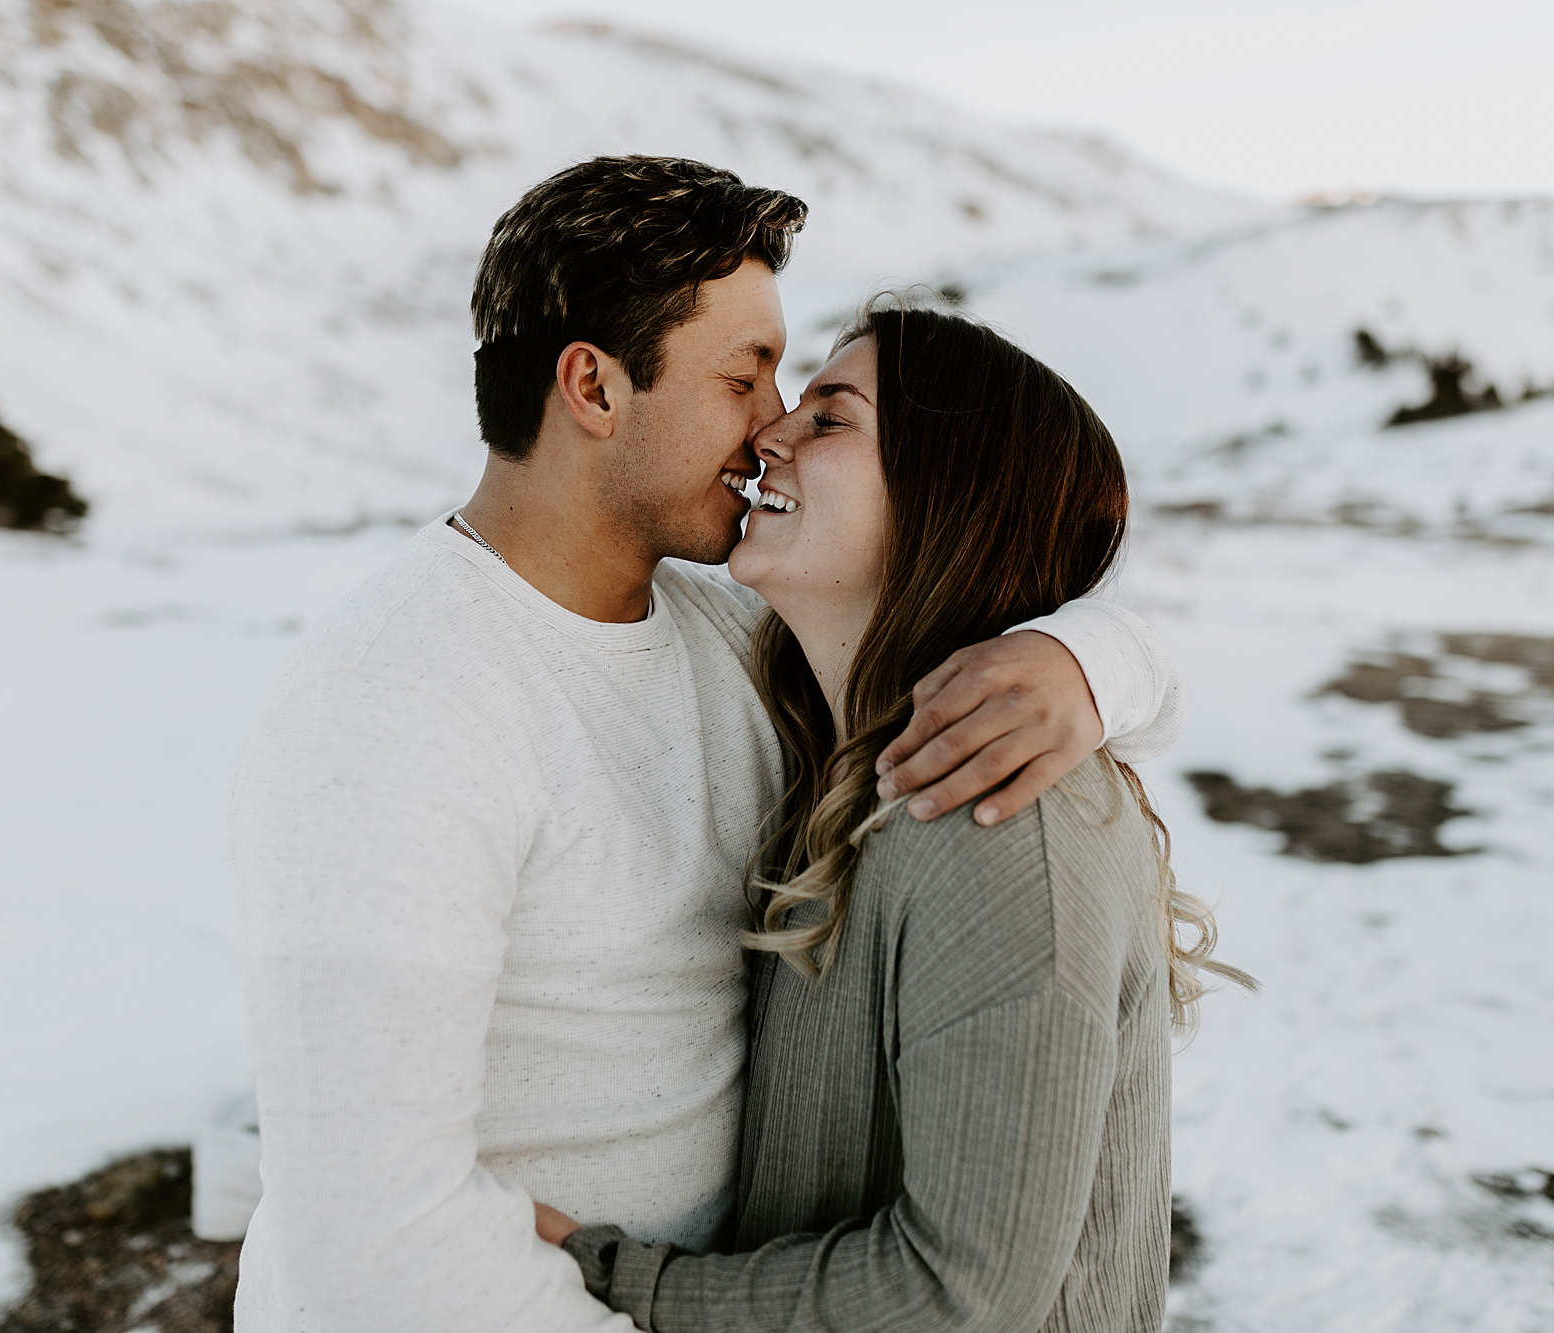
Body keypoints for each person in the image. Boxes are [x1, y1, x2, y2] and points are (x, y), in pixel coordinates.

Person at [229, 157, 1186, 1331]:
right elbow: (371, 1234)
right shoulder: (398, 697)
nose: (771, 423)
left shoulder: (740, 642)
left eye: (800, 392)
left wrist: (1092, 659)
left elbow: (957, 587)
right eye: (746, 376)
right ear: (592, 387)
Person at [539, 304, 1250, 1332]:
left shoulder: (994, 816)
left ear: (948, 500)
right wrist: (1101, 654)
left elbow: (958, 1293)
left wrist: (613, 1285)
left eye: (831, 420)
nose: (767, 432)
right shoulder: (834, 755)